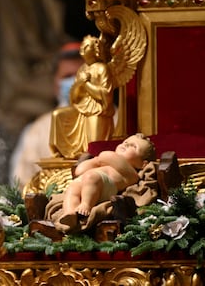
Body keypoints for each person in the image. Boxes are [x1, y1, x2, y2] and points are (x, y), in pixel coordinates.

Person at [9, 41, 84, 191]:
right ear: (55, 83)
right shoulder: (37, 130)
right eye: (67, 76)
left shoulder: (114, 119)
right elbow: (20, 183)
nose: (75, 82)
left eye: (80, 74)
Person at [59, 133, 156, 229]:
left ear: (143, 164)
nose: (126, 145)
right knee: (72, 189)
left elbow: (107, 155)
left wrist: (99, 159)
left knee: (91, 176)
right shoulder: (105, 162)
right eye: (125, 142)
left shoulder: (131, 173)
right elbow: (79, 171)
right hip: (86, 183)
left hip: (103, 187)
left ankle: (86, 204)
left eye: (133, 146)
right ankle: (70, 213)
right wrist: (96, 161)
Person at [50, 35, 115, 159]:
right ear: (55, 81)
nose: (83, 51)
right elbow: (74, 97)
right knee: (57, 115)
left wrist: (87, 84)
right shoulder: (83, 69)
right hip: (80, 108)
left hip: (97, 110)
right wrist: (79, 83)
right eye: (67, 76)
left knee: (93, 148)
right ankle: (60, 154)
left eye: (86, 47)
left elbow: (105, 94)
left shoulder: (102, 69)